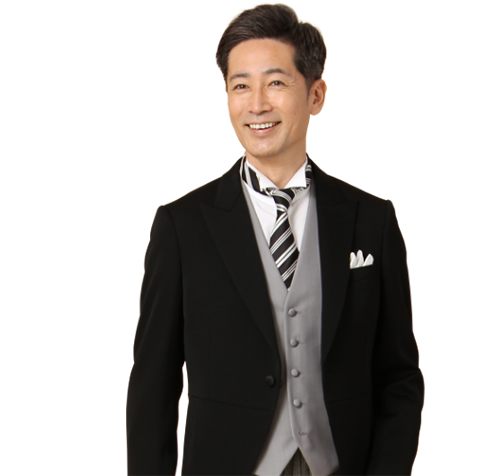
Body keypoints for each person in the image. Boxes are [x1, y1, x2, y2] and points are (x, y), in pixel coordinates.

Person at [126, 3, 423, 476]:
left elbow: (398, 376)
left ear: (315, 95)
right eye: (240, 86)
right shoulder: (182, 226)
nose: (257, 104)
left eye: (276, 83)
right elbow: (152, 390)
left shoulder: (372, 220)